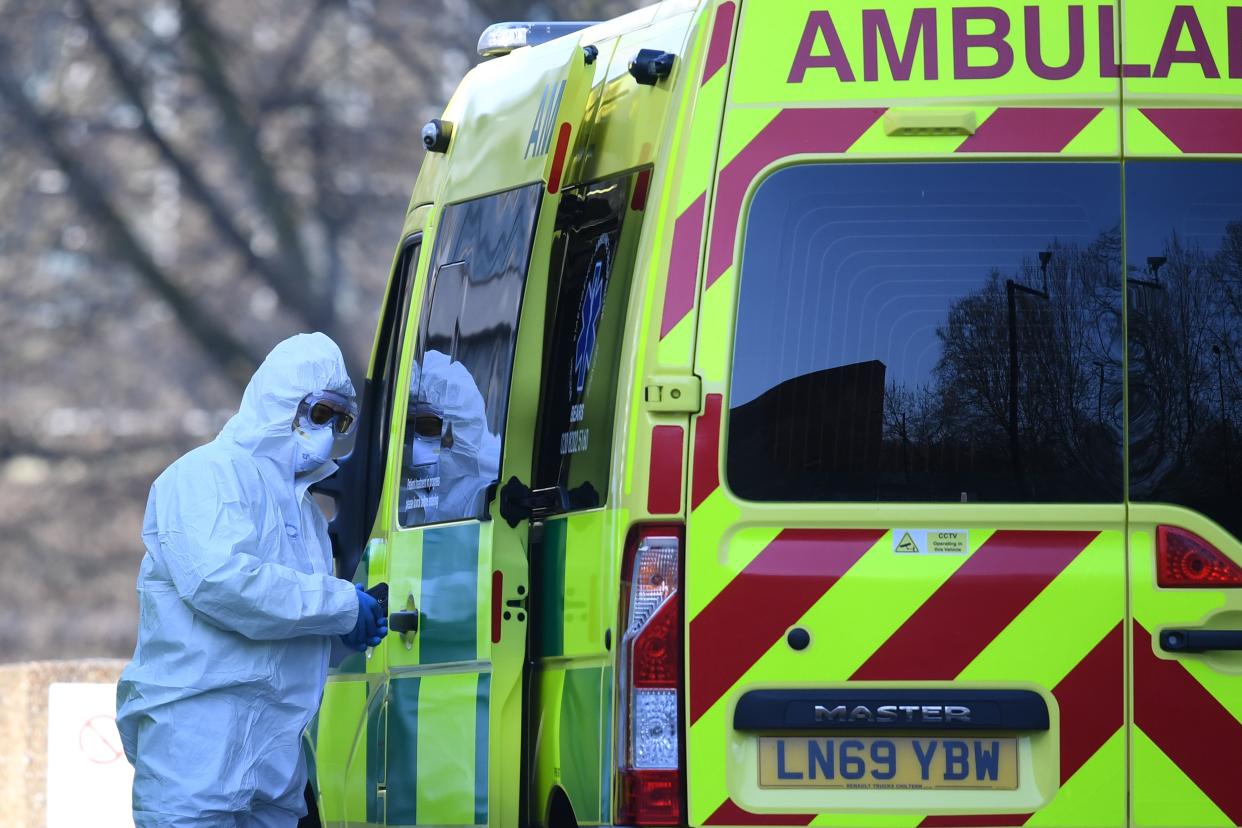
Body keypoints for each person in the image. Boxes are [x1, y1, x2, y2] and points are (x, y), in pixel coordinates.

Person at [115, 332, 388, 827]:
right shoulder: (205, 475)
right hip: (195, 757)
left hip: (273, 766)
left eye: (341, 420)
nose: (329, 430)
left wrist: (340, 637)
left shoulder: (306, 515)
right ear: (280, 400)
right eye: (319, 413)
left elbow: (285, 630)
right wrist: (340, 605)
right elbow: (222, 585)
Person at [399, 349, 501, 525]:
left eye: (426, 427)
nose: (411, 438)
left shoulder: (482, 495)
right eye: (408, 427)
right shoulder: (405, 491)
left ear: (454, 436)